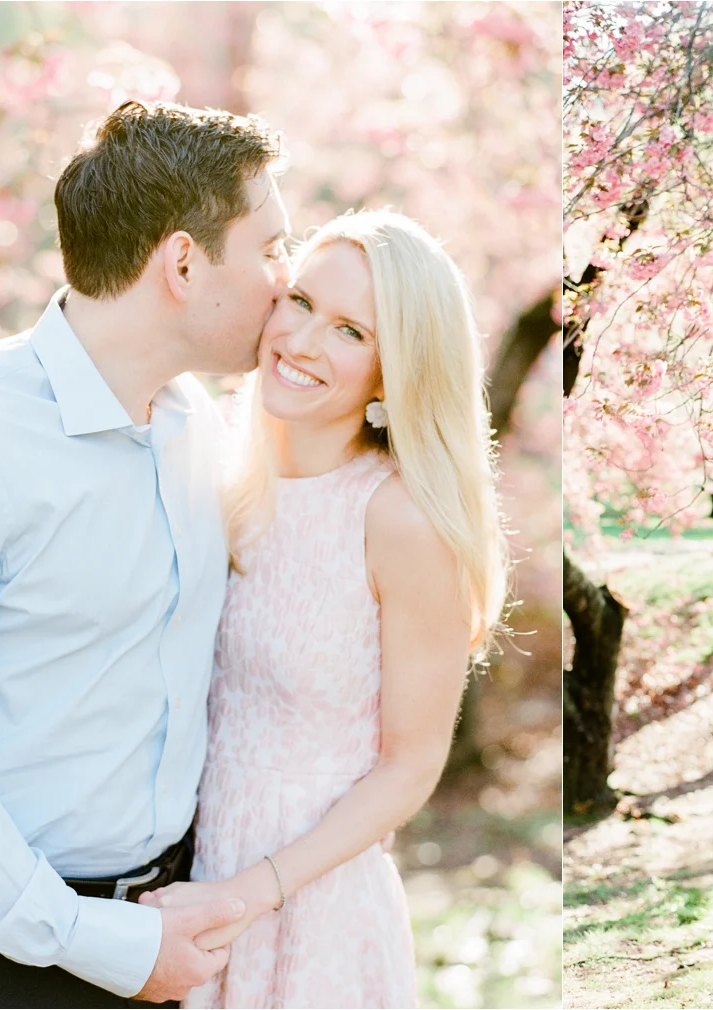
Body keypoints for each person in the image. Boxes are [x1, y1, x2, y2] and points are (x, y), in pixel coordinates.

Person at [0, 100, 292, 1006]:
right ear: (185, 263)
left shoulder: (199, 426)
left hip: (171, 935)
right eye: (271, 246)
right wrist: (97, 942)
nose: (287, 278)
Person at [137, 210, 508, 1008]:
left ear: (391, 372)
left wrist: (247, 894)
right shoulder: (218, 482)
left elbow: (409, 767)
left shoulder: (397, 519)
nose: (301, 341)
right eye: (300, 302)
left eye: (350, 331)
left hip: (312, 910)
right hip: (187, 885)